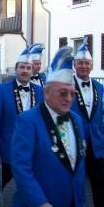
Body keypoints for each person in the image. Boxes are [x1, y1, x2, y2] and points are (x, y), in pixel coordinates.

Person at [11, 46, 86, 207]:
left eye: (72, 93)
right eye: (63, 93)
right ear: (46, 92)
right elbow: (21, 167)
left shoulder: (77, 120)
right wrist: (40, 202)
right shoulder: (27, 121)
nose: (68, 99)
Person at [0, 47, 44, 190]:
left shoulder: (40, 91)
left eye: (28, 67)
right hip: (7, 148)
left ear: (32, 70)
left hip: (32, 149)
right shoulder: (1, 90)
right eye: (22, 67)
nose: (25, 70)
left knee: (30, 187)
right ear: (16, 69)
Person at [71, 39, 104, 207]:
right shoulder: (67, 85)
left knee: (100, 185)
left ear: (91, 65)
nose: (84, 66)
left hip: (97, 146)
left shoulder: (100, 87)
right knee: (75, 185)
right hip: (75, 143)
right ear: (74, 65)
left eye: (87, 63)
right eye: (80, 63)